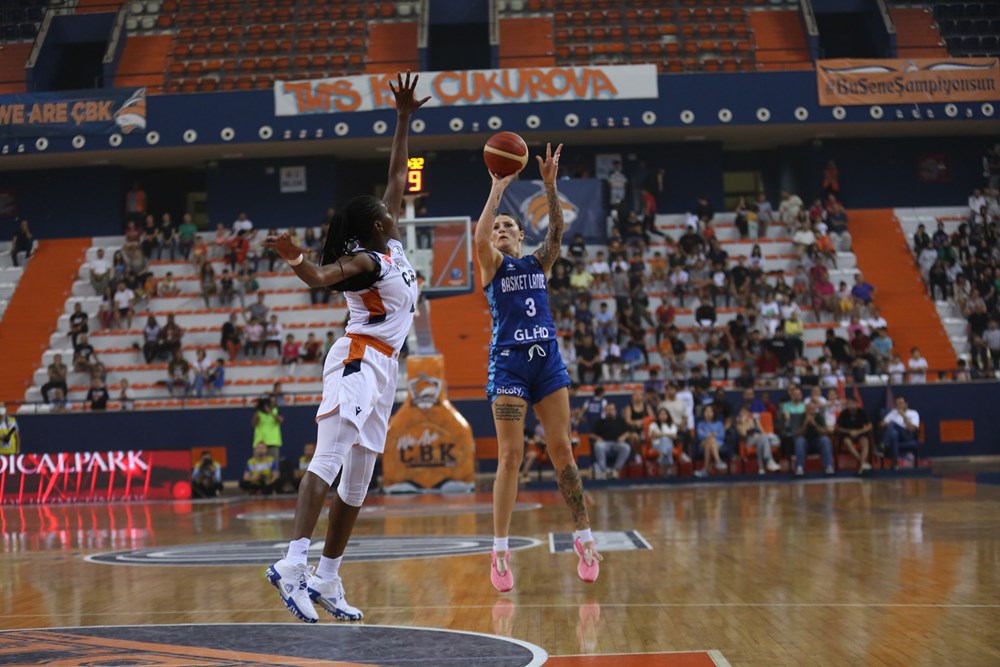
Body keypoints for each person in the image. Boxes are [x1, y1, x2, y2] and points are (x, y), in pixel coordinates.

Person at [264, 72, 425, 624]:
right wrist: (292, 256)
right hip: (357, 361)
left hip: (385, 371)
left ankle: (328, 577)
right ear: (374, 224)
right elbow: (317, 277)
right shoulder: (366, 260)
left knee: (357, 483)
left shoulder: (392, 243)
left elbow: (397, 174)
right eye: (385, 209)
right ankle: (291, 564)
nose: (392, 206)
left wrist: (403, 118)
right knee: (328, 462)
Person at [476, 140, 602, 594]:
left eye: (510, 225)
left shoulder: (537, 262)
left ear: (520, 235)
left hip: (546, 361)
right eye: (498, 227)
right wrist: (497, 190)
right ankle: (500, 549)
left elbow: (559, 232)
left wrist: (549, 186)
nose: (503, 229)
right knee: (510, 457)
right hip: (509, 365)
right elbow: (479, 236)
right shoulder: (490, 264)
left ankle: (584, 538)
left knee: (562, 452)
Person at [591, 402, 630, 480]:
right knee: (598, 445)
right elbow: (591, 434)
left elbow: (628, 432)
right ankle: (604, 471)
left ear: (615, 410)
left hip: (617, 444)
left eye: (611, 409)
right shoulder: (600, 422)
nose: (610, 411)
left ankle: (615, 470)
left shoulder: (620, 421)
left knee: (626, 447)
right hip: (604, 444)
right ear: (605, 411)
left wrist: (623, 437)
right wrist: (597, 437)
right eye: (608, 410)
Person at [794, 401, 834, 477]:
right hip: (805, 442)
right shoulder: (801, 417)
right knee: (799, 441)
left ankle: (828, 467)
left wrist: (814, 424)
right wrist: (805, 424)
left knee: (825, 440)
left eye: (813, 409)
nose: (811, 411)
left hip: (817, 441)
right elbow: (798, 433)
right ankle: (799, 467)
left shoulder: (819, 416)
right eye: (809, 409)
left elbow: (824, 432)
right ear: (806, 410)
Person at [835, 395, 873, 474]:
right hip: (847, 434)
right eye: (849, 404)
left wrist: (858, 432)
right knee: (847, 442)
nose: (852, 406)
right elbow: (837, 427)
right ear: (847, 405)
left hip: (860, 434)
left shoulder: (862, 412)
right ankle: (863, 463)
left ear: (857, 404)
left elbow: (870, 426)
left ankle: (862, 464)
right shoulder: (843, 413)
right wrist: (849, 432)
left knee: (865, 441)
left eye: (853, 404)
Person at [881, 396, 920, 469]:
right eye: (897, 404)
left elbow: (913, 429)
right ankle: (895, 464)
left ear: (906, 404)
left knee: (892, 423)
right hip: (896, 437)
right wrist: (885, 424)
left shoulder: (913, 413)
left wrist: (904, 416)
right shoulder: (893, 413)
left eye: (901, 403)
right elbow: (881, 424)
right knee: (894, 434)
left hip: (908, 435)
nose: (899, 405)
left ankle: (883, 445)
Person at [693, 404, 727, 478]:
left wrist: (708, 434)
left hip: (718, 443)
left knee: (710, 442)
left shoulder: (719, 423)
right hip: (703, 442)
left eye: (710, 411)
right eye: (706, 411)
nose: (708, 413)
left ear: (713, 413)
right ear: (703, 413)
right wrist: (713, 434)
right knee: (710, 440)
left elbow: (722, 436)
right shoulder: (700, 424)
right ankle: (718, 461)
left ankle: (705, 470)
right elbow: (700, 436)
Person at [252, 395, 284, 461]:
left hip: (273, 442)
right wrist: (258, 409)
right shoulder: (259, 413)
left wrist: (271, 412)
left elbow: (280, 420)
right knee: (258, 464)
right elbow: (254, 423)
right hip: (259, 444)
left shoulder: (274, 411)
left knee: (274, 465)